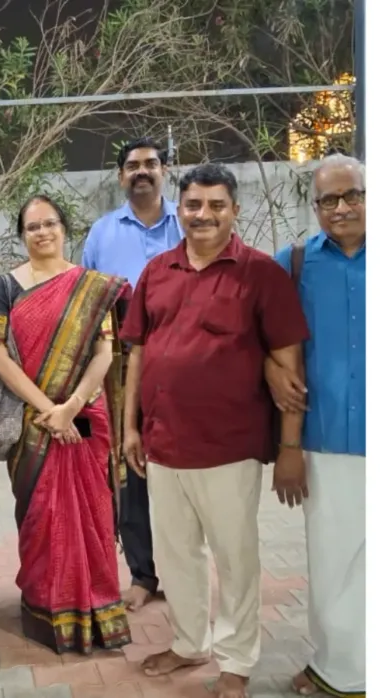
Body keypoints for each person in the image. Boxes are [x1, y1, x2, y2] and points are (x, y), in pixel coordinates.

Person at [120, 164, 310, 698]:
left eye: (215, 205)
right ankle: (187, 643)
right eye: (194, 205)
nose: (203, 215)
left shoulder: (259, 274)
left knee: (235, 558)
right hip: (162, 445)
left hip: (229, 447)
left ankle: (236, 660)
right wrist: (130, 427)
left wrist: (290, 446)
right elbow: (136, 353)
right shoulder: (157, 271)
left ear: (234, 211)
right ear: (178, 209)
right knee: (176, 555)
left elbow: (286, 361)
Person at [0, 195, 132, 654]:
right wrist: (48, 409)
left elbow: (104, 354)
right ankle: (47, 609)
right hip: (33, 420)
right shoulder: (6, 286)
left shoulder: (93, 287)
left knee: (92, 511)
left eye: (50, 224)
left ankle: (97, 606)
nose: (42, 233)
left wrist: (70, 406)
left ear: (65, 229)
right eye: (32, 227)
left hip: (84, 416)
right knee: (41, 514)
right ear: (22, 235)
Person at [269, 154, 366, 697]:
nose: (342, 207)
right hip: (325, 436)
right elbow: (263, 337)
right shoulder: (294, 263)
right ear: (315, 207)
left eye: (351, 194)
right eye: (329, 199)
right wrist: (270, 373)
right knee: (331, 558)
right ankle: (335, 667)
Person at [80, 137, 184, 611]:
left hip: (185, 366)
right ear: (121, 176)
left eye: (150, 164)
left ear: (164, 171)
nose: (142, 172)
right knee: (129, 467)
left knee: (184, 470)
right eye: (132, 166)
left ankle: (187, 575)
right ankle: (143, 574)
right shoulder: (102, 234)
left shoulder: (189, 223)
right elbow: (84, 302)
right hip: (122, 369)